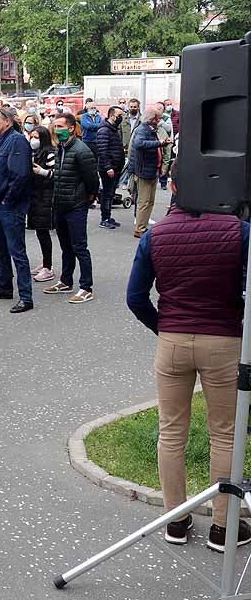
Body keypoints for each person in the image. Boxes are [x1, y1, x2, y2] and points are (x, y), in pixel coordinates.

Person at [126, 165, 251, 551]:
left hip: (173, 339)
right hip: (224, 339)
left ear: (174, 187)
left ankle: (175, 520)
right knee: (225, 433)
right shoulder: (239, 231)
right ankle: (222, 526)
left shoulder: (155, 233)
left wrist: (165, 327)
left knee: (171, 429)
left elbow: (135, 297)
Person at [38, 113, 99, 304]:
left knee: (80, 247)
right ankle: (66, 281)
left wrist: (87, 197)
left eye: (60, 126)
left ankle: (86, 287)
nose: (57, 130)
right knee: (66, 247)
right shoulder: (59, 149)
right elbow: (58, 175)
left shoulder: (82, 150)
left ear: (71, 128)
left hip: (76, 205)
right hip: (60, 204)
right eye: (55, 126)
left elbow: (92, 180)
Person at [0, 107, 34, 314]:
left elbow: (20, 175)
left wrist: (7, 200)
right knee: (0, 249)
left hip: (9, 206)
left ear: (8, 122)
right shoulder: (2, 141)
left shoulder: (17, 141)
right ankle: (5, 286)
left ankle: (26, 297)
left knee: (17, 252)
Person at [130, 108, 171, 238]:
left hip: (152, 170)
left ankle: (142, 227)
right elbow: (138, 143)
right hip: (144, 171)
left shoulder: (150, 130)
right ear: (152, 119)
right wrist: (159, 143)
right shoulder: (142, 130)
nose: (159, 121)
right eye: (158, 118)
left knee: (150, 201)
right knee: (144, 201)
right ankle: (139, 229)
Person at [27, 126, 57, 283]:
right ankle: (46, 263)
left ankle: (48, 267)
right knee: (40, 232)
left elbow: (55, 175)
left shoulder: (50, 153)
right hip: (36, 196)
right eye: (32, 136)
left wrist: (43, 172)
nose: (33, 140)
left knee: (44, 232)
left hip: (46, 197)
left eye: (36, 137)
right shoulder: (34, 153)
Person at [95, 105, 127, 230]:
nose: (121, 118)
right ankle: (104, 219)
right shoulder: (104, 130)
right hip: (108, 168)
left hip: (115, 167)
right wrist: (108, 167)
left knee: (111, 193)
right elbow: (102, 151)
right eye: (119, 115)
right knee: (107, 194)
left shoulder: (114, 129)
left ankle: (108, 217)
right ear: (111, 115)